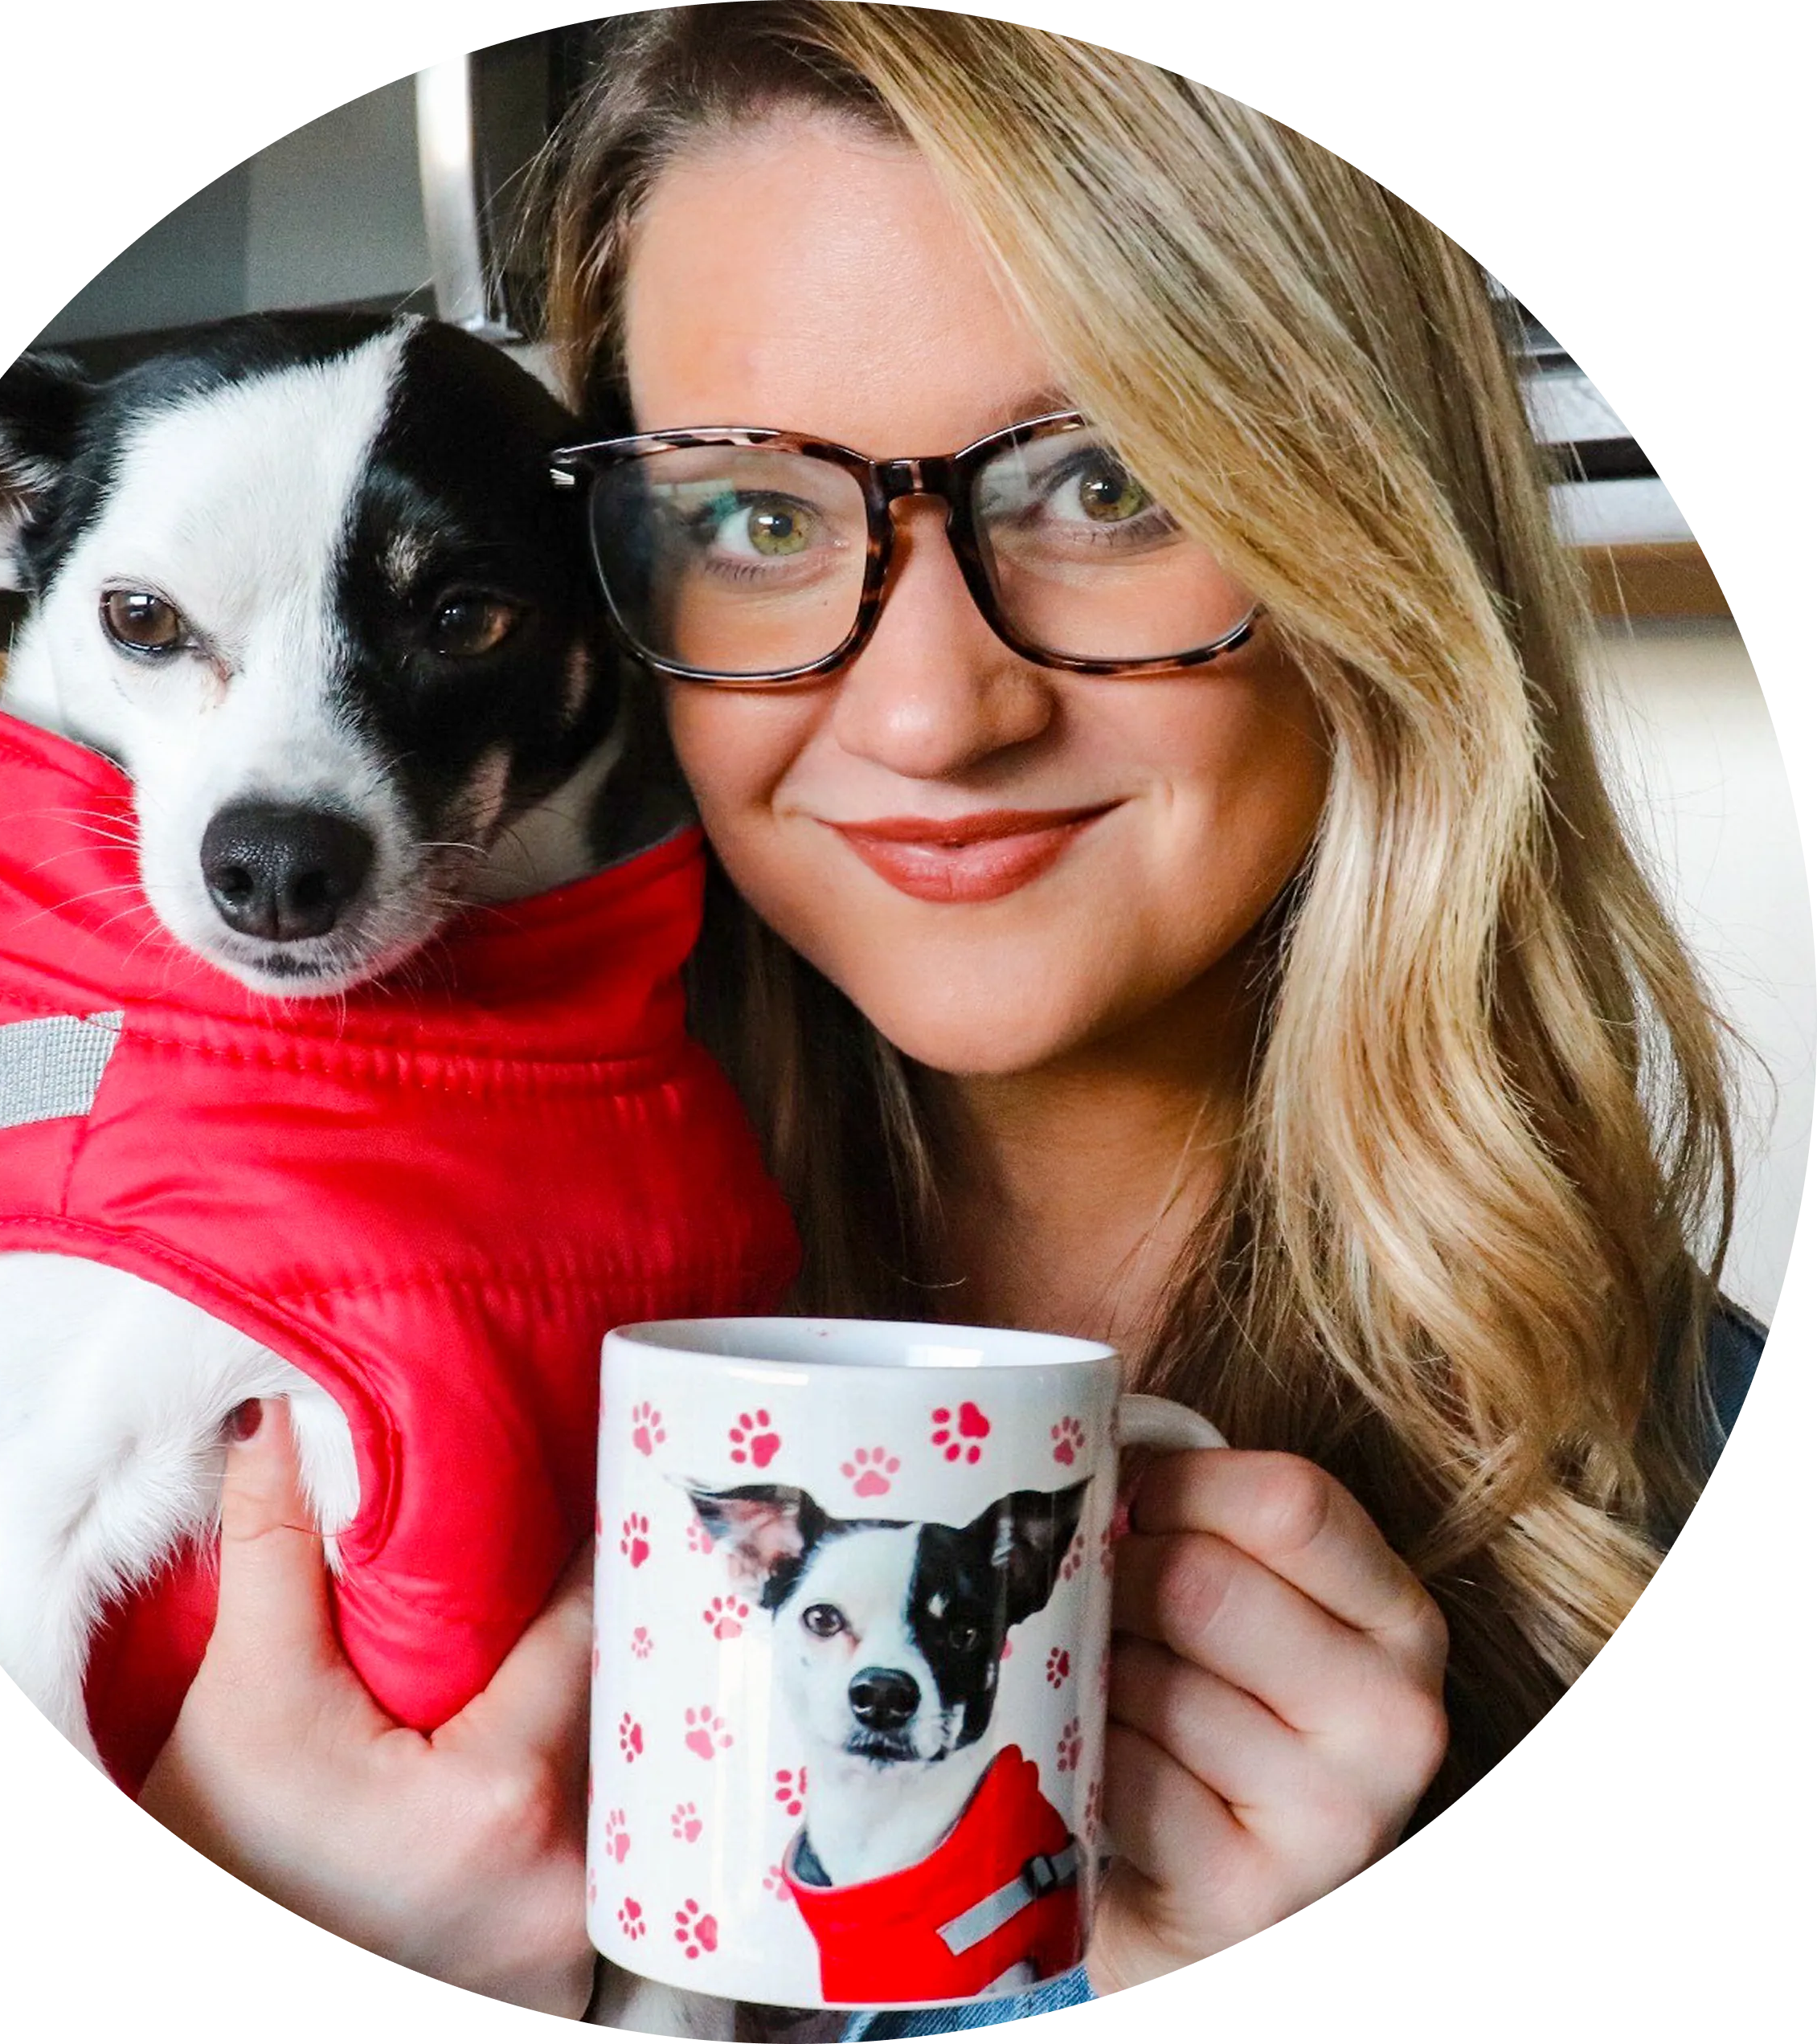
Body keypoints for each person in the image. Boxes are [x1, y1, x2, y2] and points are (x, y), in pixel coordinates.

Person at [133, 4, 1763, 2029]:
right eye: (753, 518)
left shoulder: (1671, 1487)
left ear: (1378, 539)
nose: (928, 712)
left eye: (1104, 486)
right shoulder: (231, 1327)